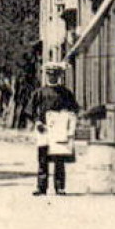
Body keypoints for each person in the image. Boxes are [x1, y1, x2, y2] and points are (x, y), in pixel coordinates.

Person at [31, 63, 80, 196]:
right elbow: (30, 110)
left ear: (59, 76)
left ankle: (60, 187)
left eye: (55, 75)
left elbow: (74, 109)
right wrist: (37, 122)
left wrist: (67, 118)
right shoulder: (39, 93)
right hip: (44, 129)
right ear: (46, 75)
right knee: (42, 158)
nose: (52, 77)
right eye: (50, 74)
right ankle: (41, 187)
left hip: (59, 129)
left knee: (59, 158)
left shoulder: (66, 93)